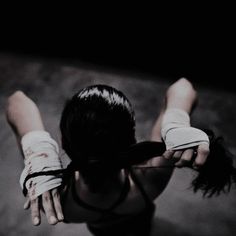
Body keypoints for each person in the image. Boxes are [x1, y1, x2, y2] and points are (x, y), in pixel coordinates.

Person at [6, 78, 236, 236]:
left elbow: (17, 100)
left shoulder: (56, 202)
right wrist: (175, 119)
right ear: (132, 140)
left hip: (98, 227)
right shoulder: (149, 181)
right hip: (139, 215)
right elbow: (183, 85)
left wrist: (37, 148)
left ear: (64, 143)